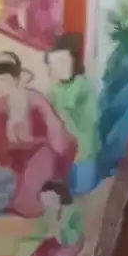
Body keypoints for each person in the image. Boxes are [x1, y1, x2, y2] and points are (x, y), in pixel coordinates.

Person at [0, 51, 78, 218]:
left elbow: (54, 127)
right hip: (17, 151)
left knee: (31, 178)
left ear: (14, 80)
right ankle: (19, 200)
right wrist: (3, 156)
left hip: (44, 147)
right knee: (19, 177)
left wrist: (59, 153)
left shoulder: (35, 100)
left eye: (3, 80)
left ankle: (29, 203)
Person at [46, 33, 99, 196]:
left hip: (82, 141)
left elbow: (69, 109)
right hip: (64, 144)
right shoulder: (56, 88)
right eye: (53, 63)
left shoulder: (83, 84)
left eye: (62, 62)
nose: (56, 68)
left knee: (81, 186)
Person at [22, 182, 85, 256]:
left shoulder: (71, 210)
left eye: (47, 199)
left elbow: (73, 233)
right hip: (63, 242)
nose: (46, 203)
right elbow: (55, 232)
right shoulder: (58, 212)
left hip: (72, 243)